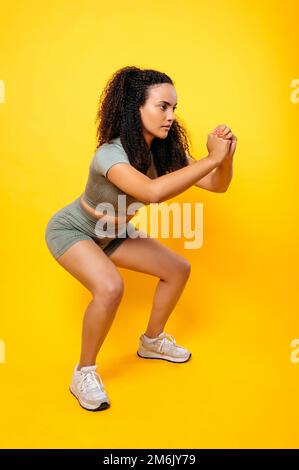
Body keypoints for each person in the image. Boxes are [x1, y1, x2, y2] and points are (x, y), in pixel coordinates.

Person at [44, 66, 237, 412]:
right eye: (163, 107)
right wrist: (211, 158)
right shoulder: (110, 154)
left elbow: (217, 185)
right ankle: (83, 372)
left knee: (178, 269)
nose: (171, 116)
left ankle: (151, 341)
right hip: (74, 229)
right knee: (110, 287)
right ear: (137, 108)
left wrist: (225, 158)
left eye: (174, 108)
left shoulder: (163, 154)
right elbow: (150, 193)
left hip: (113, 233)